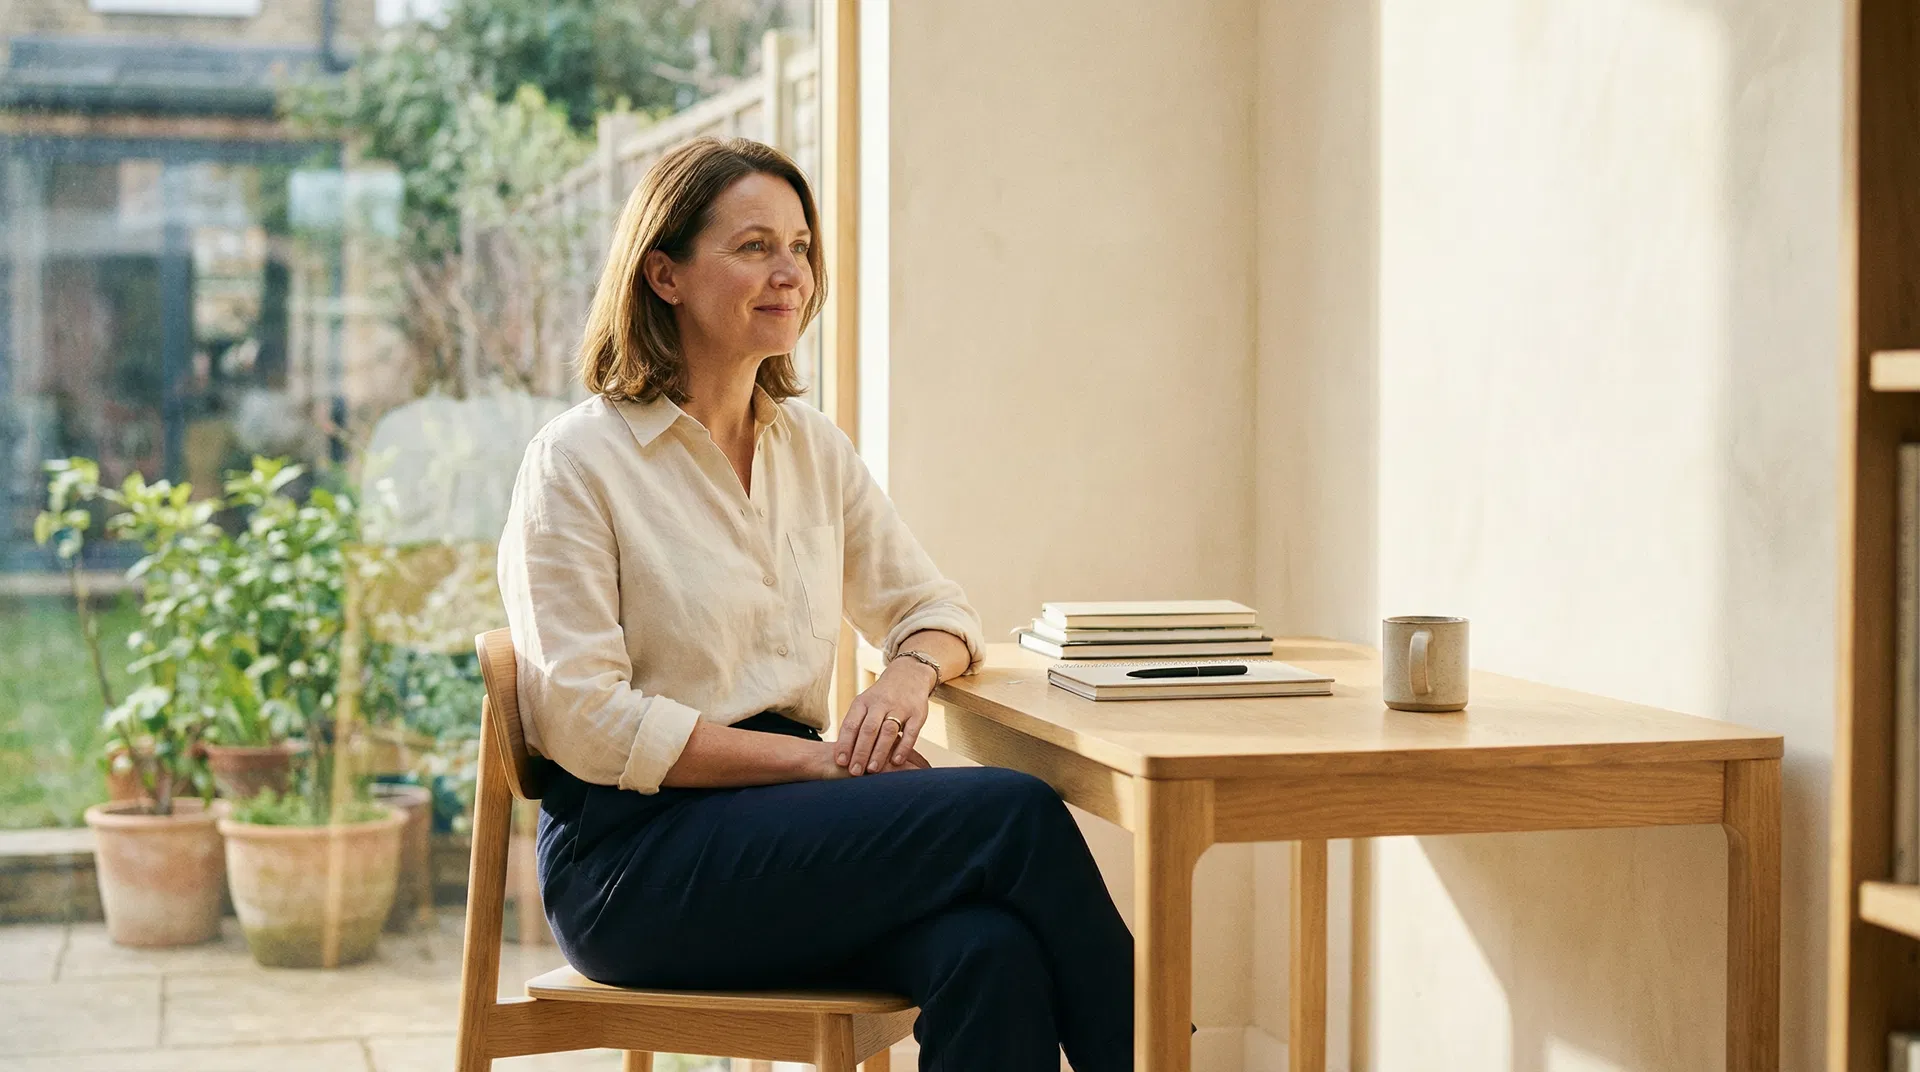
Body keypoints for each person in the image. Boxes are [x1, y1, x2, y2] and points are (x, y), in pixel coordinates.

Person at [496, 136, 1134, 1071]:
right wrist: (823, 766)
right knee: (1015, 813)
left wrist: (908, 676)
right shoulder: (577, 462)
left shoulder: (809, 448)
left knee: (989, 953)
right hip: (635, 866)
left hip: (785, 842)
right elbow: (588, 722)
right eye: (754, 246)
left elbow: (937, 608)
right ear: (664, 274)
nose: (789, 271)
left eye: (799, 246)